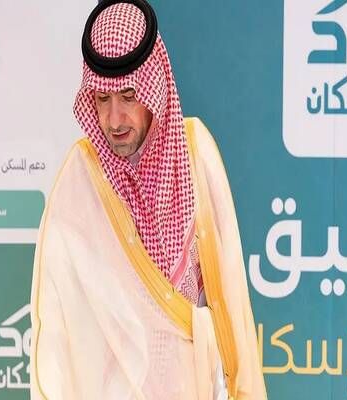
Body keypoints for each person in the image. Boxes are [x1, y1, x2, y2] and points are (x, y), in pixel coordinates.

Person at [30, 1, 267, 399]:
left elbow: (233, 308)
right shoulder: (80, 179)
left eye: (128, 96)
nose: (114, 119)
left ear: (154, 87)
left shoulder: (196, 156)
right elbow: (55, 334)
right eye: (102, 100)